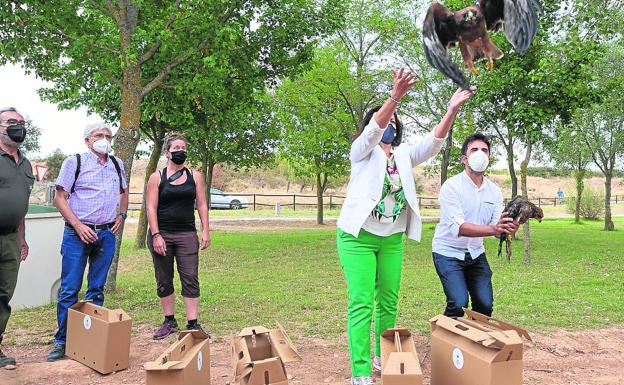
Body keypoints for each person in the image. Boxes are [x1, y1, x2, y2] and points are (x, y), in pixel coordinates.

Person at [336, 68, 476, 385]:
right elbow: (374, 130)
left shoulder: (402, 155)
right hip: (357, 239)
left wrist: (451, 109)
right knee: (360, 302)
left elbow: (433, 144)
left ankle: (382, 355)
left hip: (391, 239)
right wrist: (395, 97)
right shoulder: (361, 151)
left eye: (395, 120)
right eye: (387, 119)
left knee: (388, 301)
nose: (391, 124)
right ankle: (360, 371)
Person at [47, 122, 129, 361]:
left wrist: (121, 215)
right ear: (87, 140)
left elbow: (124, 192)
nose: (104, 139)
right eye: (98, 135)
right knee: (69, 289)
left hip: (105, 234)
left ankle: (91, 337)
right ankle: (63, 341)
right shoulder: (75, 162)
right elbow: (60, 198)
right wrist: (78, 226)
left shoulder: (117, 164)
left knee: (96, 289)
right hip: (77, 233)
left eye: (107, 136)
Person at [431, 133, 519, 319]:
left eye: (485, 150)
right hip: (448, 252)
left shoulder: (494, 192)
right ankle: (444, 339)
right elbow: (460, 228)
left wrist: (509, 228)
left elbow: (498, 228)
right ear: (464, 159)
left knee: (484, 305)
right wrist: (495, 229)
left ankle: (474, 343)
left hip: (476, 253)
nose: (480, 154)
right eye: (474, 150)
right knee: (458, 302)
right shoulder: (451, 187)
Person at [146, 132, 210, 339]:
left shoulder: (195, 176)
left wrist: (205, 230)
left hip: (186, 234)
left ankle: (192, 324)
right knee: (164, 279)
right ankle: (169, 321)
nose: (180, 152)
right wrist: (156, 235)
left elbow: (201, 204)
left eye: (183, 149)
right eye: (176, 149)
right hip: (162, 234)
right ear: (167, 152)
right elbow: (150, 207)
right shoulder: (157, 177)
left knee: (190, 278)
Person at [0, 107, 34, 367]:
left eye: (21, 122)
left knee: (3, 295)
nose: (17, 126)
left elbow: (21, 203)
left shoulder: (25, 164)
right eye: (11, 122)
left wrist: (22, 237)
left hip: (11, 239)